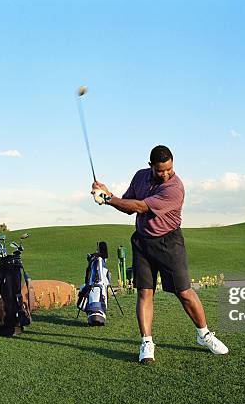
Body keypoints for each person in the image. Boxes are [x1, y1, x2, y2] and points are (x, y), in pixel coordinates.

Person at [91, 145, 228, 363]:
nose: (165, 174)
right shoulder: (140, 177)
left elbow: (141, 206)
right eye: (160, 170)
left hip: (168, 242)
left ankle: (204, 335)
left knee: (184, 292)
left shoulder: (175, 187)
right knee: (145, 293)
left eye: (169, 169)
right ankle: (146, 342)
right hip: (143, 242)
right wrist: (109, 195)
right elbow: (128, 207)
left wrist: (108, 198)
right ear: (151, 166)